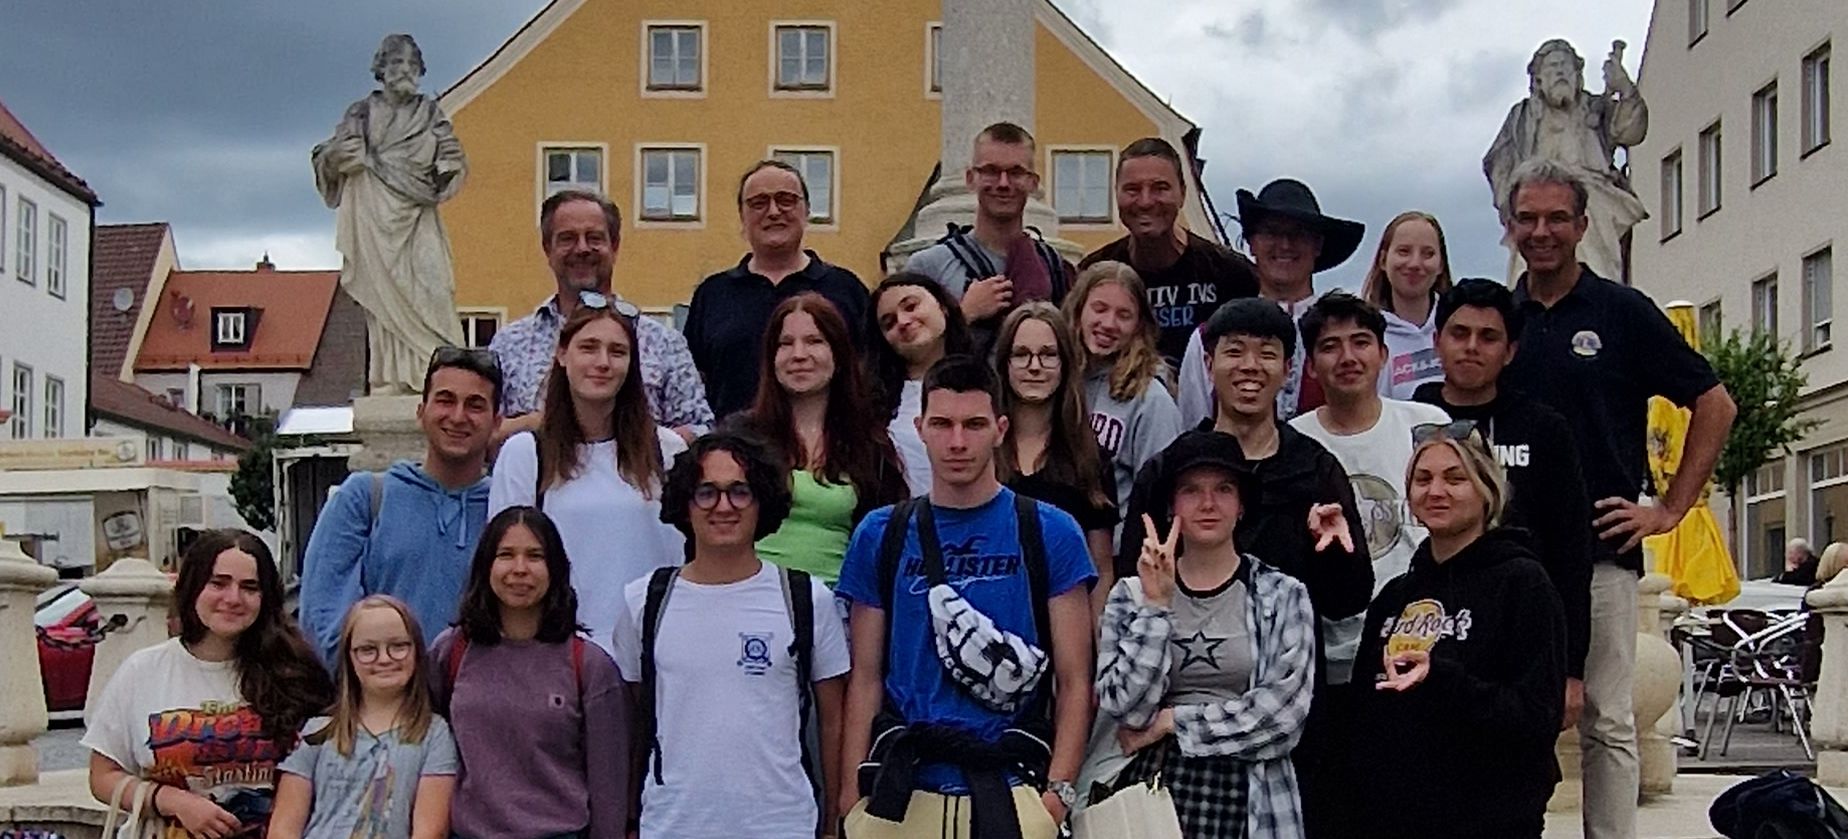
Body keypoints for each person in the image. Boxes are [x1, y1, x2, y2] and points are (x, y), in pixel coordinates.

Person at [1498, 159, 1737, 839]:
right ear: (1509, 225)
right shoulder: (1498, 317)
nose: (1541, 231)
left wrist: (1669, 507)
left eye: (1555, 218)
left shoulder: (1622, 312)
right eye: (1528, 218)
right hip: (1509, 550)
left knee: (1607, 716)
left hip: (1603, 546)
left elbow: (1715, 404)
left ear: (1581, 223)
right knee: (1513, 711)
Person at [1115, 298, 1369, 837]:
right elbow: (1134, 586)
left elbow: (1349, 600)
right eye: (1234, 352)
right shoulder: (1171, 469)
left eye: (1267, 354)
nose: (1250, 366)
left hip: (1284, 730)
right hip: (1169, 748)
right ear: (1208, 365)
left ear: (1287, 369)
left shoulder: (1315, 468)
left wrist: (1334, 552)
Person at [837, 357, 1096, 839]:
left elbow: (1075, 678)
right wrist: (852, 795)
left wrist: (1058, 793)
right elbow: (866, 677)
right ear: (920, 428)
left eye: (974, 424)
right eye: (943, 424)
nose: (958, 442)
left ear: (1000, 428)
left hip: (1012, 781)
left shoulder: (1051, 531)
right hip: (902, 789)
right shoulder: (881, 533)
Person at [614, 431, 851, 838]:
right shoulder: (644, 601)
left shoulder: (806, 599)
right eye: (707, 492)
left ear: (762, 502)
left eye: (740, 492)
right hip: (672, 825)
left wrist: (831, 822)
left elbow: (833, 722)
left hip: (782, 826)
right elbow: (634, 722)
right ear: (685, 505)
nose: (723, 506)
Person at [1348, 427, 1566, 839]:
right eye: (1423, 479)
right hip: (1394, 818)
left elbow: (1536, 715)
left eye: (1455, 478)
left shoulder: (1523, 583)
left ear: (1487, 490)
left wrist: (1441, 678)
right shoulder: (1396, 595)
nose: (1436, 491)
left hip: (1491, 817)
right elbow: (1365, 711)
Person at [1095, 432, 1316, 837]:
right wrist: (1156, 609)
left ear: (1241, 504)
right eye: (1191, 490)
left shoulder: (1282, 594)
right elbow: (1125, 709)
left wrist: (1174, 722)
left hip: (1250, 795)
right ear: (1171, 505)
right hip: (1149, 790)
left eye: (1224, 489)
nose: (1208, 504)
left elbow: (1283, 716)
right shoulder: (1130, 595)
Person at [1413, 277, 1594, 730]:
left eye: (1488, 337)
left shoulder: (1544, 428)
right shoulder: (1412, 418)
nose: (1472, 347)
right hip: (1430, 613)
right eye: (1459, 334)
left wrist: (1571, 668)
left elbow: (1572, 549)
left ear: (1510, 351)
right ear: (1437, 342)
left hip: (1520, 618)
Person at [86, 530, 334, 838]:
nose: (233, 598)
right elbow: (102, 776)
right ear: (193, 587)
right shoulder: (143, 670)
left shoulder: (297, 672)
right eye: (218, 583)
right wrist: (173, 801)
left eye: (249, 587)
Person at [488, 300, 687, 654]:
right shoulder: (525, 455)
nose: (603, 363)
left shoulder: (667, 452)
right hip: (561, 658)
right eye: (588, 347)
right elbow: (506, 568)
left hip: (655, 655)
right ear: (563, 355)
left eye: (617, 351)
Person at [432, 507, 630, 839]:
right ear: (486, 566)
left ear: (554, 569)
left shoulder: (590, 666)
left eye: (535, 556)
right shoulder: (450, 653)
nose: (520, 569)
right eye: (506, 555)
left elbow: (609, 788)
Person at [301, 347, 501, 664]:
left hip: (473, 702)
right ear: (421, 412)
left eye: (475, 405)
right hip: (381, 701)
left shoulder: (504, 510)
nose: (458, 416)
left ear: (496, 422)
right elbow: (321, 616)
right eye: (445, 400)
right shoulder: (366, 498)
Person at [489, 190, 713, 442]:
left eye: (594, 238)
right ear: (547, 249)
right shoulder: (508, 345)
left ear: (614, 246)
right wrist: (538, 422)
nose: (582, 248)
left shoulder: (663, 342)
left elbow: (701, 429)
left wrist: (640, 443)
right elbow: (482, 434)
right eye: (567, 239)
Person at [310, 34, 467, 393]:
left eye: (412, 64)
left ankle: (436, 374)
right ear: (381, 69)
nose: (405, 71)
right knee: (382, 302)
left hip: (417, 213)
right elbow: (329, 155)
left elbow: (452, 155)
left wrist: (447, 168)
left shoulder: (429, 112)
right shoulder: (361, 113)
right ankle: (391, 379)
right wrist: (339, 157)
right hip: (373, 213)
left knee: (434, 287)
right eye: (397, 63)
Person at [733, 293, 909, 584]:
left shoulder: (869, 445)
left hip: (834, 609)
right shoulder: (740, 438)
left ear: (838, 354)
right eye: (785, 343)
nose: (799, 354)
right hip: (749, 603)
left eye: (814, 341)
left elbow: (887, 541)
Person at [1289, 291, 1452, 589]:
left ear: (1383, 354)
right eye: (1330, 347)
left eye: (1361, 342)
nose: (1348, 358)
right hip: (1334, 625)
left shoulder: (1429, 424)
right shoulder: (1293, 441)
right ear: (1310, 366)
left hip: (1424, 613)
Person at [684, 160, 872, 419]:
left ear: (806, 210)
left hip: (829, 450)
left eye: (786, 200)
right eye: (759, 203)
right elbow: (694, 384)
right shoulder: (712, 294)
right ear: (742, 216)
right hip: (734, 451)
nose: (773, 212)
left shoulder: (846, 289)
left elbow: (870, 375)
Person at [1177, 179, 1367, 425]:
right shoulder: (1210, 338)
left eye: (1298, 233)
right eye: (1271, 232)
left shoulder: (1351, 337)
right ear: (1251, 243)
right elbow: (1191, 429)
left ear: (1317, 245)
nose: (1285, 244)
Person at [271, 596, 457, 839]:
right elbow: (283, 828)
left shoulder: (434, 734)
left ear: (417, 651)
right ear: (349, 657)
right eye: (368, 650)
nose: (384, 658)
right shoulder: (316, 733)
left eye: (398, 646)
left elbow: (430, 830)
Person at [1079, 137, 1257, 367]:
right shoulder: (1092, 275)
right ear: (1116, 194)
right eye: (1132, 189)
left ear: (1183, 193)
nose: (1145, 201)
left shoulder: (1230, 274)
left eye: (1160, 188)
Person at [1484, 39, 1648, 282]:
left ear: (1577, 74)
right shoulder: (1523, 116)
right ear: (1538, 78)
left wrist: (1624, 88)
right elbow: (1498, 162)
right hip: (1537, 209)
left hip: (1592, 207)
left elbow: (1630, 131)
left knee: (1599, 277)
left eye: (1566, 66)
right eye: (1552, 67)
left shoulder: (1594, 109)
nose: (1561, 72)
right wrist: (1514, 203)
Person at [903, 122, 1075, 351]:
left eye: (1016, 172)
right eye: (991, 171)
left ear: (1033, 183)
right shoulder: (927, 267)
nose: (1003, 183)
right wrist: (965, 313)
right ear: (970, 178)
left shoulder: (1054, 268)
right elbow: (908, 354)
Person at [993, 303, 1119, 611]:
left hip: (1066, 626)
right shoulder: (983, 451)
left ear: (1065, 364)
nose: (1034, 366)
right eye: (1021, 354)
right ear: (1004, 364)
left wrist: (1097, 650)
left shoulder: (1089, 459)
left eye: (1048, 355)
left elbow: (1100, 571)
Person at [1065, 261, 1184, 515]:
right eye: (1099, 309)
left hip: (1119, 549)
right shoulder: (1056, 381)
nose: (1109, 324)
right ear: (1078, 310)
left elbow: (1163, 496)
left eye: (1124, 315)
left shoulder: (1151, 399)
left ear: (1139, 325)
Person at [867, 273, 973, 496]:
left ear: (942, 306)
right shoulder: (873, 402)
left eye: (911, 306)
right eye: (889, 323)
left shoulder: (984, 383)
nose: (903, 322)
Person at [1357, 211, 1454, 400]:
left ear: (1441, 264)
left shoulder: (1460, 328)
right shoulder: (1365, 333)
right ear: (1383, 260)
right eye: (1404, 251)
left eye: (1428, 254)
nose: (1415, 263)